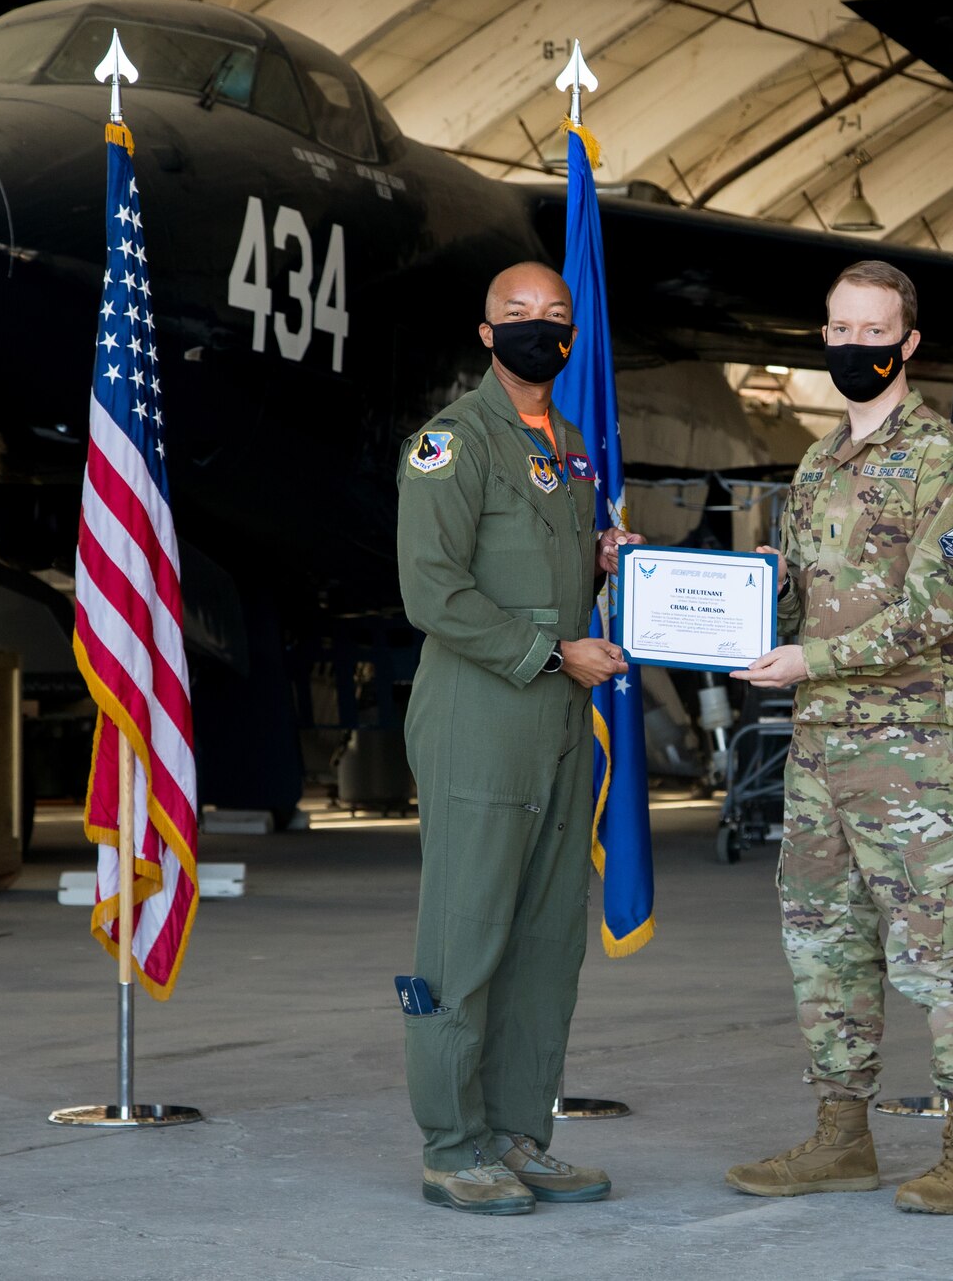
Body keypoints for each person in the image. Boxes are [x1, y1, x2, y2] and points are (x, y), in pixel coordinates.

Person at [726, 259, 953, 1215]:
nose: (855, 346)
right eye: (840, 330)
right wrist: (717, 608)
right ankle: (842, 1138)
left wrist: (810, 661)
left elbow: (932, 616)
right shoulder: (813, 464)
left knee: (945, 949)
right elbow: (795, 599)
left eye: (873, 331)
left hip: (912, 757)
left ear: (910, 342)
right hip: (818, 757)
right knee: (826, 943)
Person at [395, 261, 641, 1215]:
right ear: (487, 332)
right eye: (519, 315)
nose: (540, 327)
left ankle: (517, 1133)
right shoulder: (451, 442)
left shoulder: (570, 445)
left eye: (556, 315)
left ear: (571, 337)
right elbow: (434, 590)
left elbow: (548, 556)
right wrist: (550, 652)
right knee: (466, 934)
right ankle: (452, 1144)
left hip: (557, 720)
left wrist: (605, 554)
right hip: (483, 713)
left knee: (546, 936)